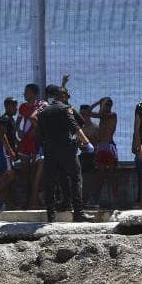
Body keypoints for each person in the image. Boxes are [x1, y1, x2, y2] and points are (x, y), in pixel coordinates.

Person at [37, 84, 96, 223]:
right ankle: (78, 213)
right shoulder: (65, 109)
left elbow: (39, 135)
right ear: (60, 96)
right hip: (67, 149)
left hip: (49, 151)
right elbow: (76, 126)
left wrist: (42, 151)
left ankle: (51, 216)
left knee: (50, 183)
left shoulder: (42, 112)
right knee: (76, 179)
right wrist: (86, 143)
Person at [15, 84, 46, 209]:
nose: (24, 94)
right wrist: (18, 131)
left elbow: (43, 123)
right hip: (24, 144)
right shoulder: (22, 107)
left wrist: (36, 130)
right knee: (25, 173)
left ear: (34, 93)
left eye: (27, 92)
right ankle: (26, 201)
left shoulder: (41, 106)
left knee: (36, 173)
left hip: (36, 144)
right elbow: (18, 122)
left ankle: (35, 200)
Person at [88, 97, 119, 207]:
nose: (106, 107)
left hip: (108, 147)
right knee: (99, 175)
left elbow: (89, 113)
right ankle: (95, 200)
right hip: (101, 147)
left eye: (107, 105)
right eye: (105, 105)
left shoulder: (112, 115)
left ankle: (115, 200)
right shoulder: (103, 117)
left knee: (111, 175)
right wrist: (99, 101)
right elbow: (88, 113)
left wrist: (99, 103)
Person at [77, 104, 99, 183]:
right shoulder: (79, 129)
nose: (81, 116)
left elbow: (97, 144)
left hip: (93, 156)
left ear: (88, 115)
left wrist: (88, 141)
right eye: (80, 114)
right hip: (84, 155)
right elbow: (78, 144)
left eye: (83, 114)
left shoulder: (95, 128)